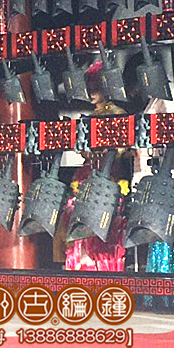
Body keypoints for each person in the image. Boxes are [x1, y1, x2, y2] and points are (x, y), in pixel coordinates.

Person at [53, 60, 130, 271]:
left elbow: (119, 150)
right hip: (86, 174)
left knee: (102, 227)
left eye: (95, 88)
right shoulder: (91, 117)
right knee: (77, 222)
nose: (91, 93)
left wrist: (99, 150)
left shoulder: (117, 114)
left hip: (108, 176)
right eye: (89, 88)